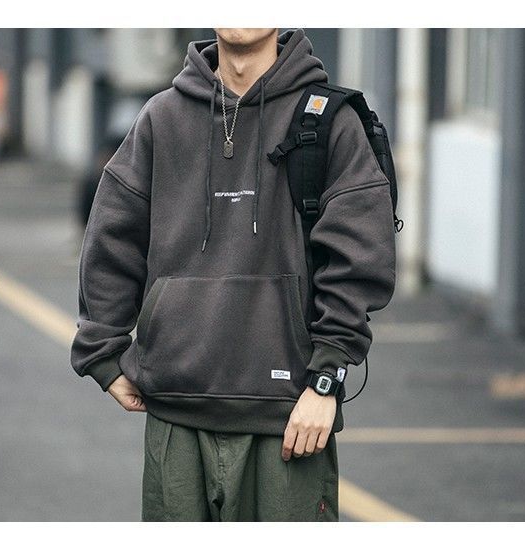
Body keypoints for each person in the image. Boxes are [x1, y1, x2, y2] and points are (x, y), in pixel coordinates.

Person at [70, 27, 396, 522]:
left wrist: (326, 380)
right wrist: (101, 352)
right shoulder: (162, 118)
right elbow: (112, 238)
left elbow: (359, 258)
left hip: (289, 417)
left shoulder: (330, 121)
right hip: (176, 415)